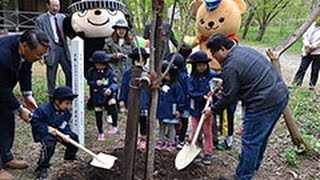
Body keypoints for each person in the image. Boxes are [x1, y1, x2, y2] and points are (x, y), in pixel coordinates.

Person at [204, 33, 289, 180]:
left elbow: (229, 97)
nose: (213, 57)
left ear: (223, 49)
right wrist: (224, 84)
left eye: (214, 52)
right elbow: (239, 80)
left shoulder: (230, 65)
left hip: (263, 101)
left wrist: (211, 110)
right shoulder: (242, 51)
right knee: (260, 137)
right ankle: (252, 166)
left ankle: (243, 176)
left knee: (251, 141)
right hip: (280, 95)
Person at [0, 30, 50, 179]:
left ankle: (6, 156)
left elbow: (25, 70)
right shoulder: (3, 56)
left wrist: (27, 95)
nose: (40, 59)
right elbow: (2, 89)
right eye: (38, 55)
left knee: (7, 120)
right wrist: (19, 108)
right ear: (24, 46)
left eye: (42, 55)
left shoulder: (26, 50)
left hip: (3, 86)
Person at [31, 86, 79, 179]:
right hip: (44, 133)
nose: (69, 106)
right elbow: (35, 122)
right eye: (67, 103)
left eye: (70, 103)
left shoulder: (66, 113)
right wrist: (46, 129)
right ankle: (42, 168)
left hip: (58, 132)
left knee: (74, 138)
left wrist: (66, 134)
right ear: (57, 101)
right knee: (49, 145)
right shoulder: (44, 110)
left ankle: (70, 156)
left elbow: (64, 125)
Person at [187, 51, 219, 165]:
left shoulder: (213, 76)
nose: (201, 67)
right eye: (199, 65)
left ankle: (208, 152)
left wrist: (213, 97)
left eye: (203, 65)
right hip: (196, 108)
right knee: (195, 130)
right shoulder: (191, 78)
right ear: (194, 66)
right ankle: (194, 150)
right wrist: (202, 96)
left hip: (207, 110)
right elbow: (190, 92)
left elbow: (218, 89)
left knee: (207, 131)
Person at [35, 0, 72, 96]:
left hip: (63, 48)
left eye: (58, 6)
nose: (56, 8)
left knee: (70, 72)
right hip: (50, 49)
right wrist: (41, 55)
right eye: (53, 6)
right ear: (47, 5)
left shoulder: (63, 18)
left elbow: (69, 32)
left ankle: (68, 94)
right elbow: (39, 38)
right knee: (51, 76)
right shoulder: (41, 20)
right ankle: (52, 97)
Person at [119, 47, 150, 149]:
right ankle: (133, 138)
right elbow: (124, 86)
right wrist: (122, 99)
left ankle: (143, 138)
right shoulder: (128, 73)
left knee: (143, 121)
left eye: (142, 61)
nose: (139, 63)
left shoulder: (147, 73)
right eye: (137, 60)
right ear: (133, 61)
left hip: (144, 101)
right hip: (131, 101)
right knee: (132, 121)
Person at [87, 51, 119, 137]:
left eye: (101, 64)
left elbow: (115, 83)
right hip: (97, 95)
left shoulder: (110, 72)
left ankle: (115, 124)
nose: (100, 66)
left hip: (108, 94)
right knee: (98, 111)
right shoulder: (91, 72)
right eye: (97, 64)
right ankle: (100, 132)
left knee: (112, 103)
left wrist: (110, 89)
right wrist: (95, 83)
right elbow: (89, 82)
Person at [155, 62, 184, 152]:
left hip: (172, 109)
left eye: (167, 74)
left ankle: (171, 141)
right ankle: (161, 140)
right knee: (162, 125)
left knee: (171, 126)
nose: (166, 76)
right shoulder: (160, 85)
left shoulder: (176, 85)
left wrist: (179, 109)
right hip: (162, 109)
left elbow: (180, 98)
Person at [165, 53, 191, 149]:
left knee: (182, 120)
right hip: (177, 104)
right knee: (177, 121)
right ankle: (177, 138)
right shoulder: (178, 76)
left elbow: (185, 92)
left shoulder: (181, 78)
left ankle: (180, 139)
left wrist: (180, 107)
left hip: (182, 103)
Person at [103, 19, 136, 84]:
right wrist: (115, 56)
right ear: (115, 30)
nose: (121, 31)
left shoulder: (131, 43)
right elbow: (104, 56)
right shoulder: (109, 42)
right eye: (119, 29)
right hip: (114, 72)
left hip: (128, 72)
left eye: (124, 29)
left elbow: (136, 56)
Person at [292, 17, 320, 90]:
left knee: (315, 69)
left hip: (317, 52)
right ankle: (296, 83)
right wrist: (307, 45)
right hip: (307, 49)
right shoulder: (311, 25)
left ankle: (311, 86)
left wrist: (314, 46)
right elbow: (305, 35)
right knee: (302, 67)